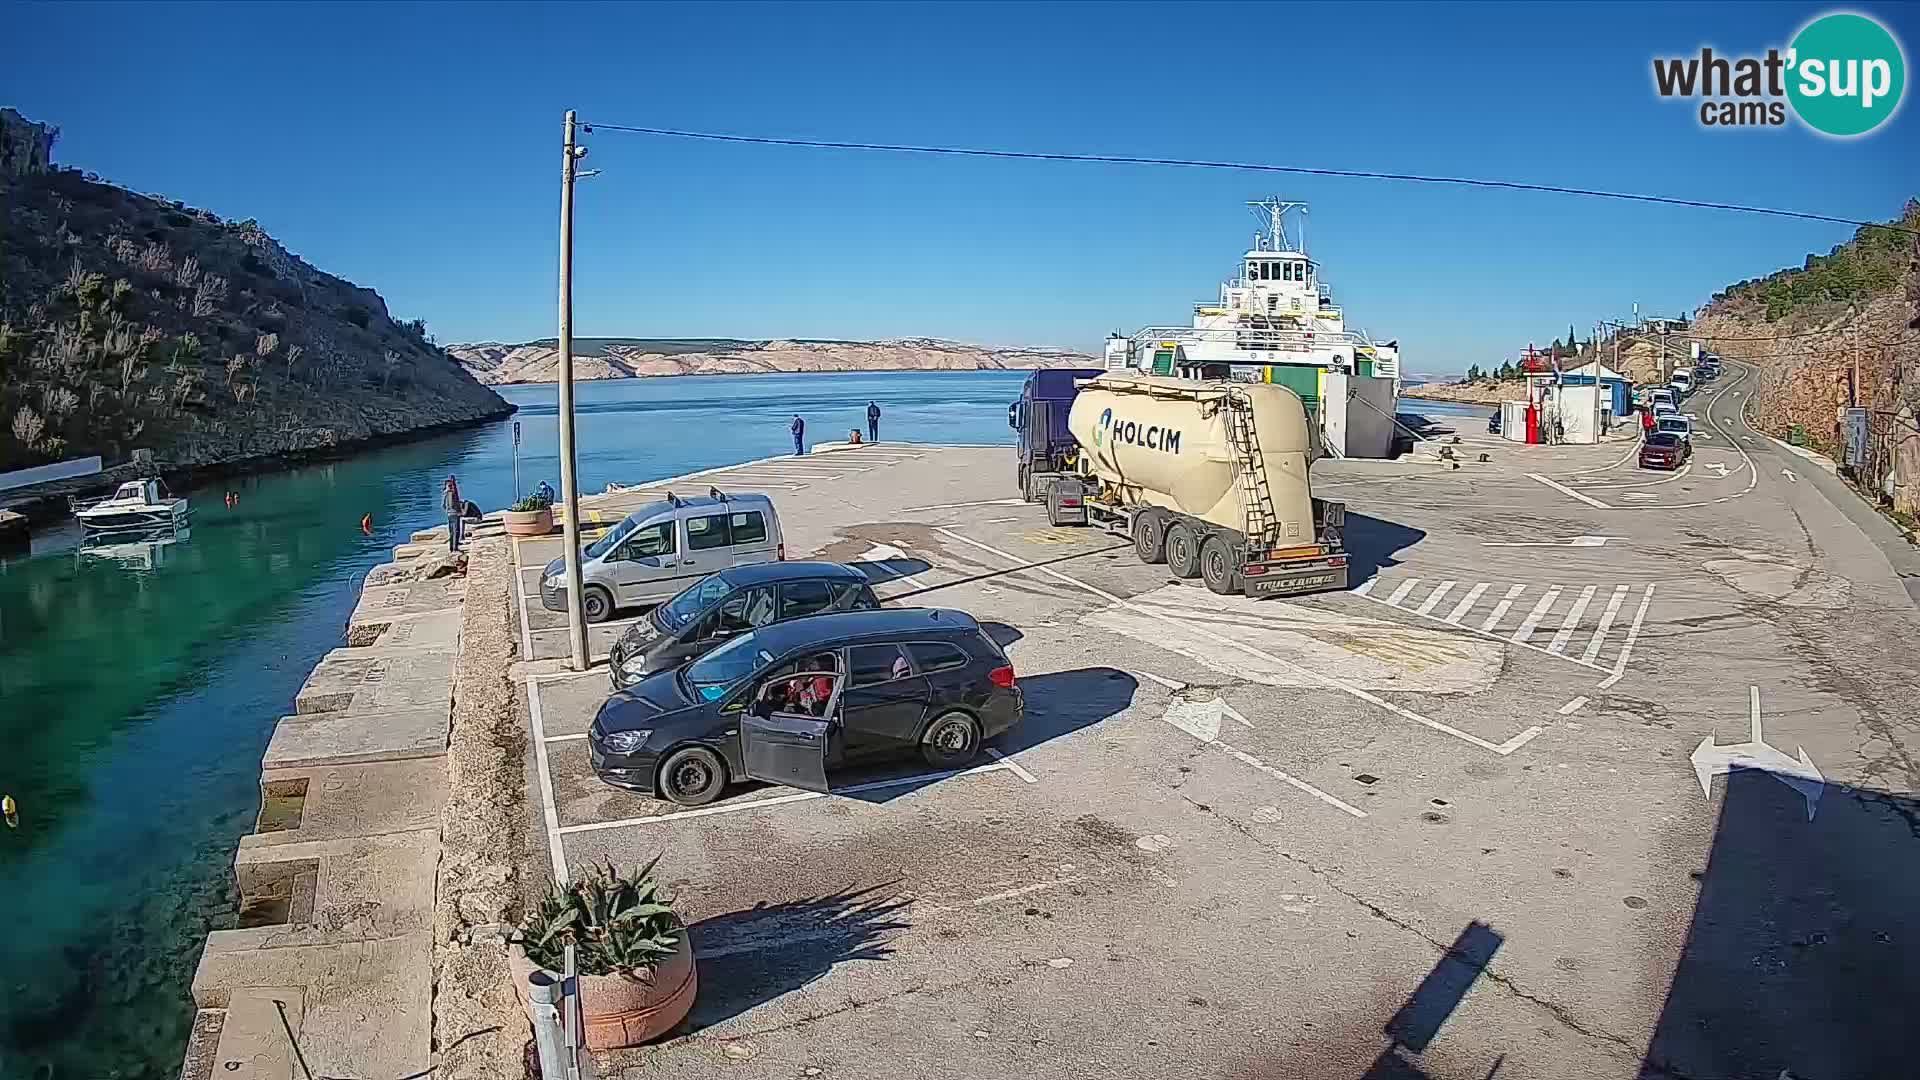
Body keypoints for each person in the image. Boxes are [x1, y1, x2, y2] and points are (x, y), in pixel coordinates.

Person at [441, 475, 463, 551]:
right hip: (454, 513)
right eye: (451, 485)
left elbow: (443, 505)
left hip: (449, 514)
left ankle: (452, 547)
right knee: (455, 531)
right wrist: (457, 511)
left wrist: (447, 510)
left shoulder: (445, 494)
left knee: (452, 531)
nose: (452, 486)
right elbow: (451, 504)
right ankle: (454, 548)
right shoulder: (450, 493)